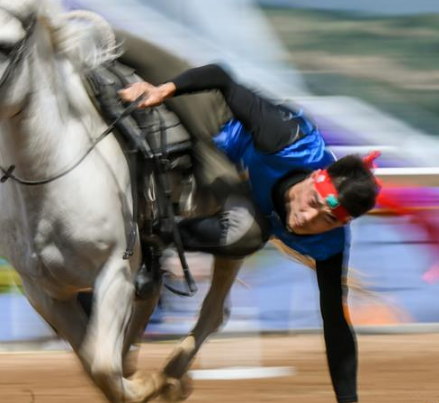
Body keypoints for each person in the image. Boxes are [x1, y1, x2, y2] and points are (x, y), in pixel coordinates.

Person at [119, 47, 380, 402]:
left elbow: (336, 325)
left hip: (232, 175)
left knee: (247, 235)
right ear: (314, 177)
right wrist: (164, 89)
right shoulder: (285, 140)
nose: (308, 219)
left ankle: (155, 237)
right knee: (123, 44)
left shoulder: (329, 244)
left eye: (328, 220)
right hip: (217, 120)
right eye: (313, 202)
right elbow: (221, 77)